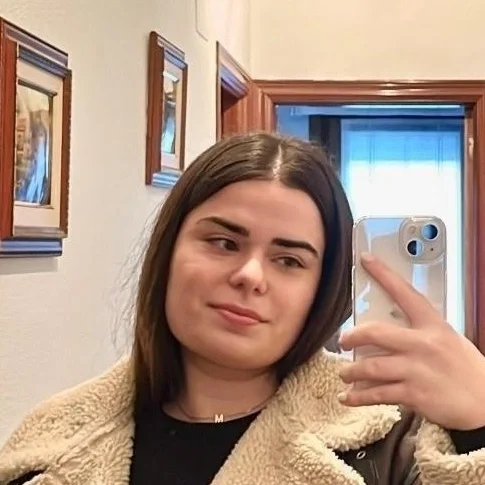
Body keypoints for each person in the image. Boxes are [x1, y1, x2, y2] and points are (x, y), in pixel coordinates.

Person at [1, 132, 485, 485]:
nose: (251, 275)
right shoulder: (55, 440)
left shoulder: (392, 441)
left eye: (289, 260)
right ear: (168, 251)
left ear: (321, 291)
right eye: (223, 242)